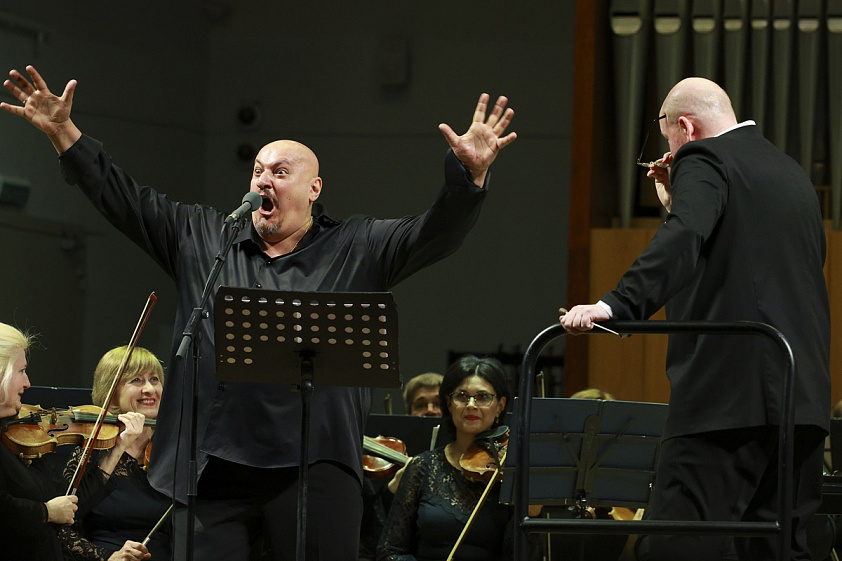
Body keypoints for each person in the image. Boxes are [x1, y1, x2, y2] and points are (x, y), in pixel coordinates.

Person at [1, 65, 516, 561]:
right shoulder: (204, 236)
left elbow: (432, 233)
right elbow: (123, 198)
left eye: (281, 172)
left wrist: (468, 177)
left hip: (317, 464)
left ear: (314, 189)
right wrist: (64, 133)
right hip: (214, 466)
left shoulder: (357, 245)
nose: (264, 180)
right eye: (258, 171)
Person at [560, 77, 830, 561]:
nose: (669, 152)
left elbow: (685, 237)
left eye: (667, 137)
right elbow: (755, 264)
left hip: (727, 399)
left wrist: (615, 305)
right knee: (776, 551)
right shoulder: (790, 172)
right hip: (802, 400)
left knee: (675, 546)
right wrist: (676, 203)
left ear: (684, 126)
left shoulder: (703, 156)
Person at [0, 322, 146, 561]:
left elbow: (69, 502)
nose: (27, 382)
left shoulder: (18, 435)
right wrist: (46, 512)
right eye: (21, 371)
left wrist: (118, 448)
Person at [377, 355, 535, 561]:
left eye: (483, 397)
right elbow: (389, 551)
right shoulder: (422, 468)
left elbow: (521, 555)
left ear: (500, 406)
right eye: (462, 396)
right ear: (449, 403)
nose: (471, 404)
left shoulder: (510, 473)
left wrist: (530, 516)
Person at [59, 345, 171, 561]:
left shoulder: (172, 448)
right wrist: (109, 557)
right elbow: (62, 527)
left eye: (154, 379)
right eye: (136, 380)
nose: (149, 389)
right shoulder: (92, 450)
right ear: (112, 392)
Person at [359, 372, 444, 560]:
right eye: (421, 405)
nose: (430, 410)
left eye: (438, 404)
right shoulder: (384, 467)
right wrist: (391, 491)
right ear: (408, 412)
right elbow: (371, 534)